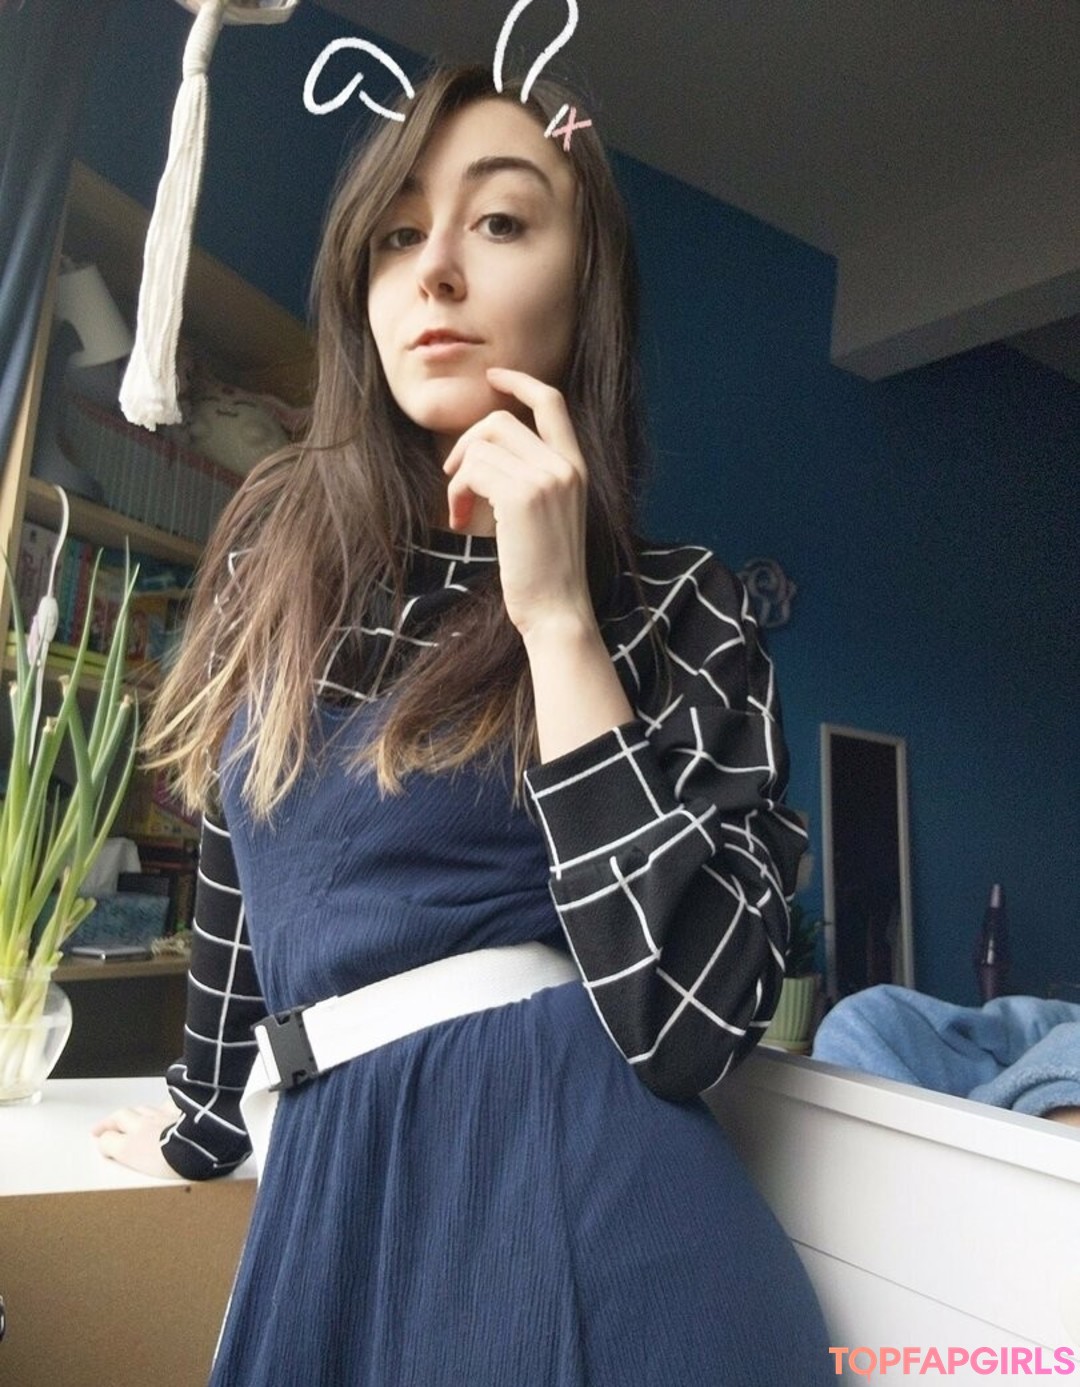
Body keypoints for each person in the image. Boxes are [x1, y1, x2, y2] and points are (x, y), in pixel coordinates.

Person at [93, 63, 834, 1386]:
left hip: (606, 1226)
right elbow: (238, 870)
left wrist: (556, 620)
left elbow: (680, 1029)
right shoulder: (277, 560)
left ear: (585, 289)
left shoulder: (678, 606)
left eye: (499, 221)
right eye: (396, 234)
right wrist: (200, 1122)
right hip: (337, 1202)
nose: (434, 269)